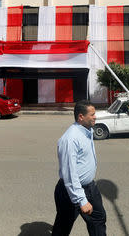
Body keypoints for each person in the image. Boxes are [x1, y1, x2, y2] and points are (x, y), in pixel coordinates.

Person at [52, 100, 106, 236]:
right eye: (92, 114)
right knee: (63, 226)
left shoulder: (87, 130)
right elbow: (69, 173)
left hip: (90, 187)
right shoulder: (70, 139)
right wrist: (81, 200)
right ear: (81, 117)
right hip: (71, 191)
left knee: (98, 219)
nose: (95, 117)